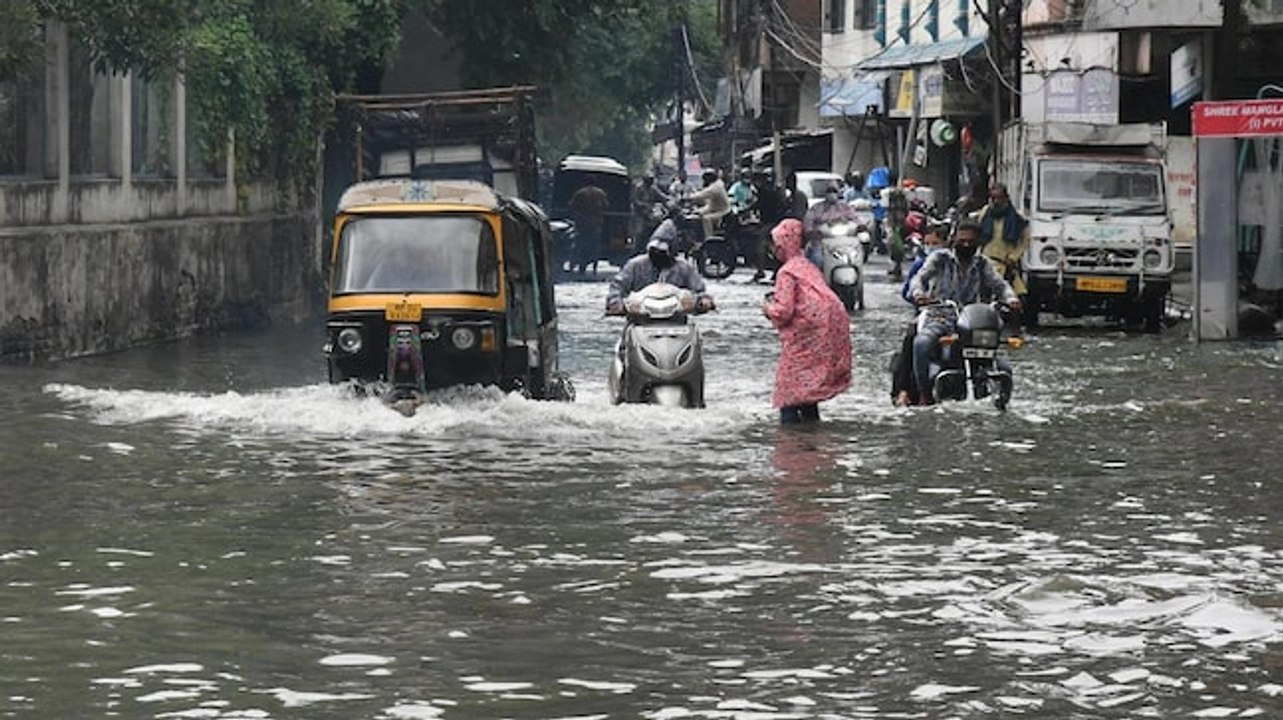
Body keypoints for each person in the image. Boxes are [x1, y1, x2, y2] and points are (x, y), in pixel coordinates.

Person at [908, 219, 1020, 405]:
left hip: (972, 321)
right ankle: (924, 394)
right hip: (941, 316)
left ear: (978, 243)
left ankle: (1001, 400)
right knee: (921, 344)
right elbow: (920, 278)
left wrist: (1011, 299)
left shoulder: (983, 264)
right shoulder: (940, 258)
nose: (966, 244)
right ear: (954, 240)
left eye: (971, 241)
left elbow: (1000, 285)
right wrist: (919, 293)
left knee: (1004, 367)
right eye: (962, 240)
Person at [762, 218, 852, 424]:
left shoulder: (786, 272)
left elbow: (783, 311)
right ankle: (811, 440)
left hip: (806, 336)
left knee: (789, 393)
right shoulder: (807, 266)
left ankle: (791, 444)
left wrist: (767, 308)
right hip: (826, 332)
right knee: (808, 391)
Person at [889, 223, 950, 406]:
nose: (931, 247)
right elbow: (908, 291)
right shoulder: (920, 264)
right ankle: (903, 390)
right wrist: (921, 298)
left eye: (936, 243)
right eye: (928, 243)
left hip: (957, 317)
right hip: (927, 315)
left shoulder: (957, 263)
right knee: (911, 340)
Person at [606, 236, 714, 315]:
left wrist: (704, 301)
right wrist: (616, 303)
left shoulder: (683, 267)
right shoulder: (635, 265)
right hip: (640, 321)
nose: (659, 256)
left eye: (663, 253)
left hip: (677, 321)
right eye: (656, 252)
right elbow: (618, 286)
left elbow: (699, 290)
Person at [974, 182, 1032, 303]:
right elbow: (976, 234)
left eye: (999, 198)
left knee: (1015, 299)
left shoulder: (1016, 218)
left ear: (1006, 198)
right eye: (993, 198)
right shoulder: (985, 213)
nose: (996, 201)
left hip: (1006, 263)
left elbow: (1025, 240)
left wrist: (1013, 257)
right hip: (986, 261)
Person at [801, 180, 859, 269]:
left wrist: (861, 227)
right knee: (817, 259)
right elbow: (808, 221)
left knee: (855, 256)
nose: (831, 194)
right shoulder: (816, 208)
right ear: (825, 193)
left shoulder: (845, 207)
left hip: (843, 242)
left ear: (839, 192)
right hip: (820, 242)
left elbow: (855, 218)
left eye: (834, 191)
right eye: (829, 191)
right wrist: (811, 232)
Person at [568, 183, 609, 275]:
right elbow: (606, 205)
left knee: (580, 245)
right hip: (595, 224)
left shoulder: (580, 193)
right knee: (594, 246)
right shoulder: (600, 193)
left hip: (582, 224)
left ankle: (578, 266)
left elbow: (572, 205)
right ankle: (594, 267)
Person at [686, 168, 732, 241]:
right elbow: (710, 205)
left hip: (723, 212)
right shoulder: (717, 183)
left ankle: (709, 239)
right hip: (717, 208)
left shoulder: (715, 187)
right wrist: (698, 211)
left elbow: (701, 195)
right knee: (698, 213)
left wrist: (688, 197)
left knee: (706, 219)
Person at [631, 173, 669, 242]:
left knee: (659, 220)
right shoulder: (638, 187)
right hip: (640, 213)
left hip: (651, 211)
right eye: (649, 180)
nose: (650, 182)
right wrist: (643, 205)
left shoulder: (653, 188)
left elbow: (661, 196)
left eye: (651, 180)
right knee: (639, 231)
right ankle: (637, 246)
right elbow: (635, 200)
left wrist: (669, 199)